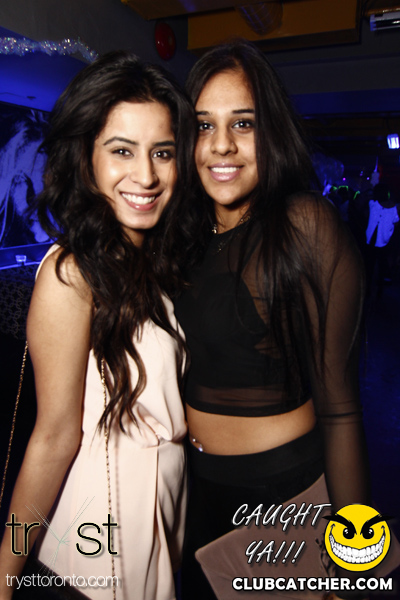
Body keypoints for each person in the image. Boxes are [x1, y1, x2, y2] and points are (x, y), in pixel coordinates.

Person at [174, 40, 373, 599]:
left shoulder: (304, 226)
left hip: (281, 502)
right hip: (194, 496)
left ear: (272, 131)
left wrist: (357, 566)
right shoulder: (182, 238)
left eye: (243, 123)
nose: (222, 145)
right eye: (204, 125)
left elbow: (341, 411)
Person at [0, 51, 195, 599]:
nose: (146, 175)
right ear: (86, 158)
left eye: (162, 152)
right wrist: (5, 576)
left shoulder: (157, 261)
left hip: (158, 522)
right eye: (121, 151)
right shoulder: (71, 273)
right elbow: (53, 438)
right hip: (95, 544)